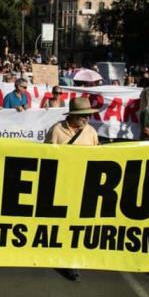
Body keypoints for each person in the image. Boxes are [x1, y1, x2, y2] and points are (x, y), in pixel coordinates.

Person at [44, 97, 100, 282]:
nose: (86, 118)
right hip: (61, 183)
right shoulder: (57, 130)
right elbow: (45, 155)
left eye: (88, 115)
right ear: (73, 116)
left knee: (77, 223)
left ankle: (72, 260)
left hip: (83, 184)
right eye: (82, 115)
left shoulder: (91, 132)